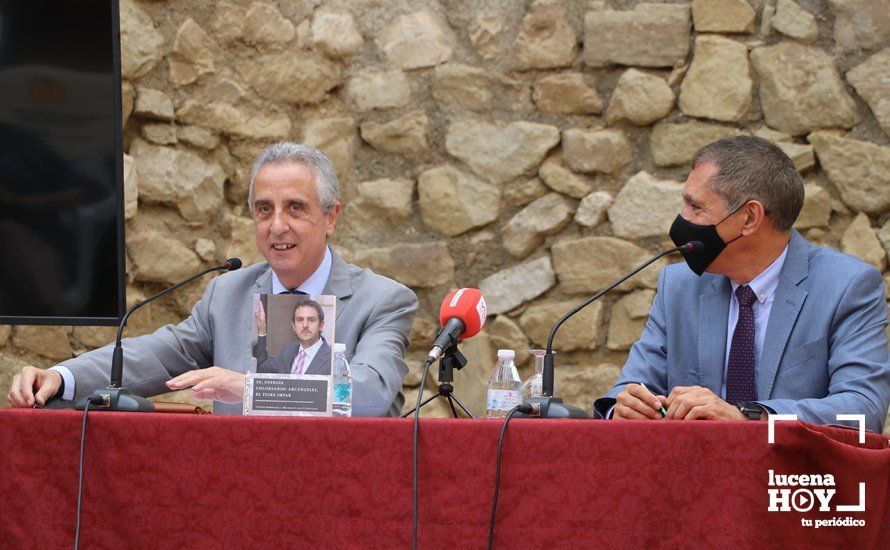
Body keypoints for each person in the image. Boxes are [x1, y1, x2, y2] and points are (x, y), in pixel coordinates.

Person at [7, 142, 418, 416]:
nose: (277, 226)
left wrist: (250, 388)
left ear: (331, 217)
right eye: (263, 209)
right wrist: (63, 376)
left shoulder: (381, 300)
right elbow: (157, 354)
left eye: (295, 208)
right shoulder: (230, 292)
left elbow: (367, 395)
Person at [594, 136, 890, 433]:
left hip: (792, 476)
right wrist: (624, 408)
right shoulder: (679, 285)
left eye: (695, 207)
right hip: (692, 473)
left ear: (749, 218)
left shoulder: (846, 286)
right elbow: (627, 390)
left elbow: (862, 410)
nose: (682, 219)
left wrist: (750, 418)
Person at [255, 297, 332, 375]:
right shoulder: (288, 351)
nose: (305, 325)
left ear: (321, 325)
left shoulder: (331, 358)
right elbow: (261, 369)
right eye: (300, 320)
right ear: (294, 326)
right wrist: (262, 330)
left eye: (311, 320)